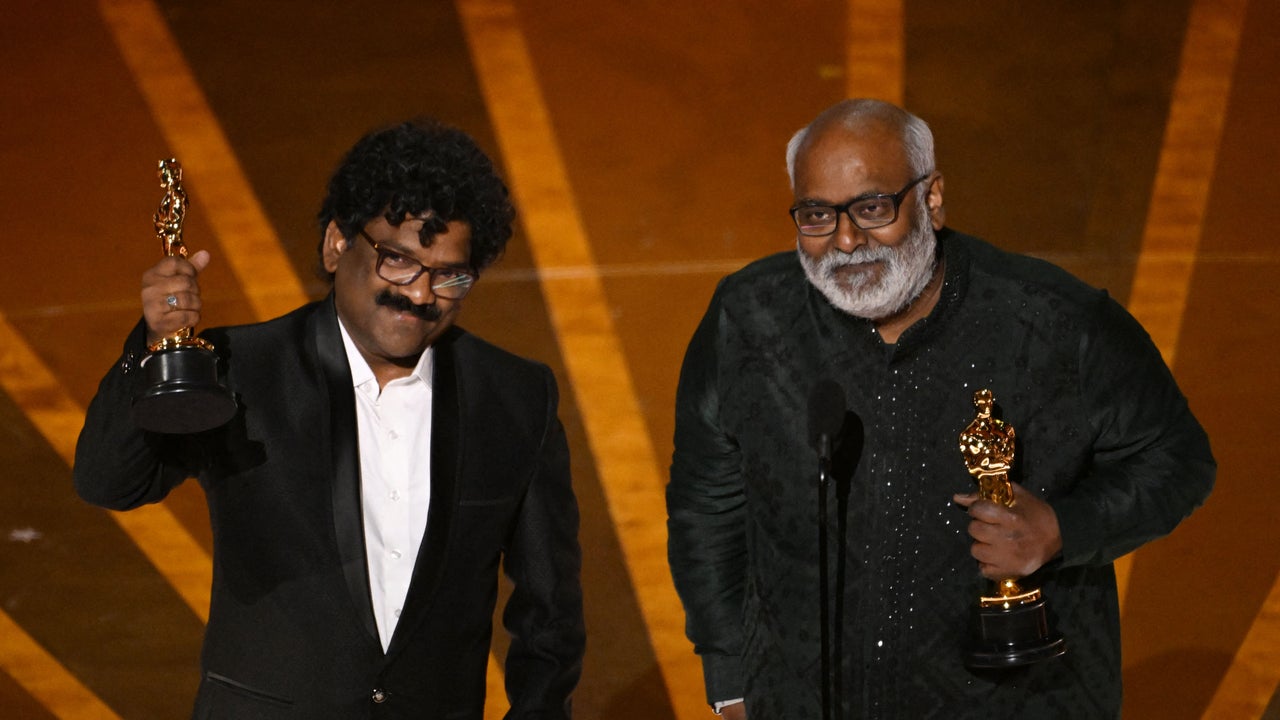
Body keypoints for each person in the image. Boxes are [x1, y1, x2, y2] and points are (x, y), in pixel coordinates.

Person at [666, 99, 1214, 718]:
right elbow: (707, 505)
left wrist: (1065, 528)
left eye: (872, 208)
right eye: (817, 215)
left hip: (1016, 702)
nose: (845, 240)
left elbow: (1179, 459)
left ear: (932, 198)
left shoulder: (1059, 325)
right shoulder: (749, 319)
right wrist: (731, 678)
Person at [74, 119, 585, 719]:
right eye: (398, 261)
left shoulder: (514, 397)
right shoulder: (240, 369)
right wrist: (155, 346)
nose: (421, 295)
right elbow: (109, 481)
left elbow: (550, 615)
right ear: (337, 245)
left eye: (449, 275)